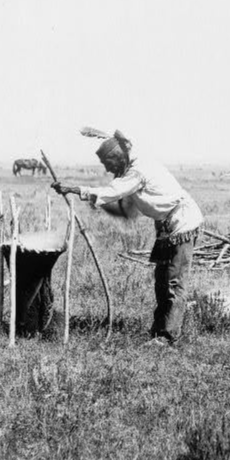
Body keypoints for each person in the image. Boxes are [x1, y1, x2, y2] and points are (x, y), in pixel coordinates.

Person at [51, 130, 203, 345]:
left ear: (118, 157)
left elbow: (113, 192)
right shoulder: (133, 163)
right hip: (167, 226)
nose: (107, 168)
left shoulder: (137, 171)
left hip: (182, 223)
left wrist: (73, 189)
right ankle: (159, 332)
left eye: (108, 162)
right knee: (162, 282)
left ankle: (167, 337)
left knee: (174, 283)